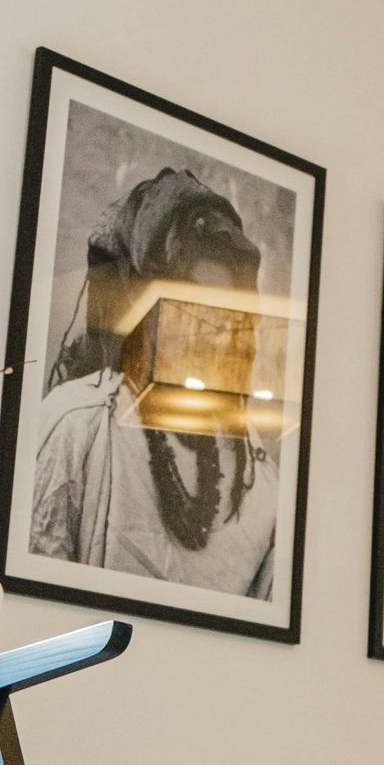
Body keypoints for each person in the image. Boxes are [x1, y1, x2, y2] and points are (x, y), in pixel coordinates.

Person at [32, 166, 281, 599]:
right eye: (190, 307)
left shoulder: (257, 473)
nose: (212, 329)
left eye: (225, 312)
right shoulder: (78, 424)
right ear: (143, 311)